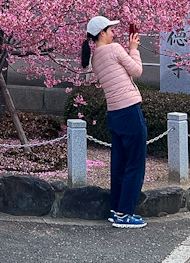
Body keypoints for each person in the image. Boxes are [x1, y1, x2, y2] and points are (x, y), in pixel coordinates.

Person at [80, 15, 147, 229]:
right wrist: (133, 48)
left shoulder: (95, 57)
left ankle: (115, 209)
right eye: (110, 30)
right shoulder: (116, 49)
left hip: (114, 112)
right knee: (135, 161)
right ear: (102, 33)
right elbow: (137, 71)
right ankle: (125, 212)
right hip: (129, 109)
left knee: (119, 162)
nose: (113, 33)